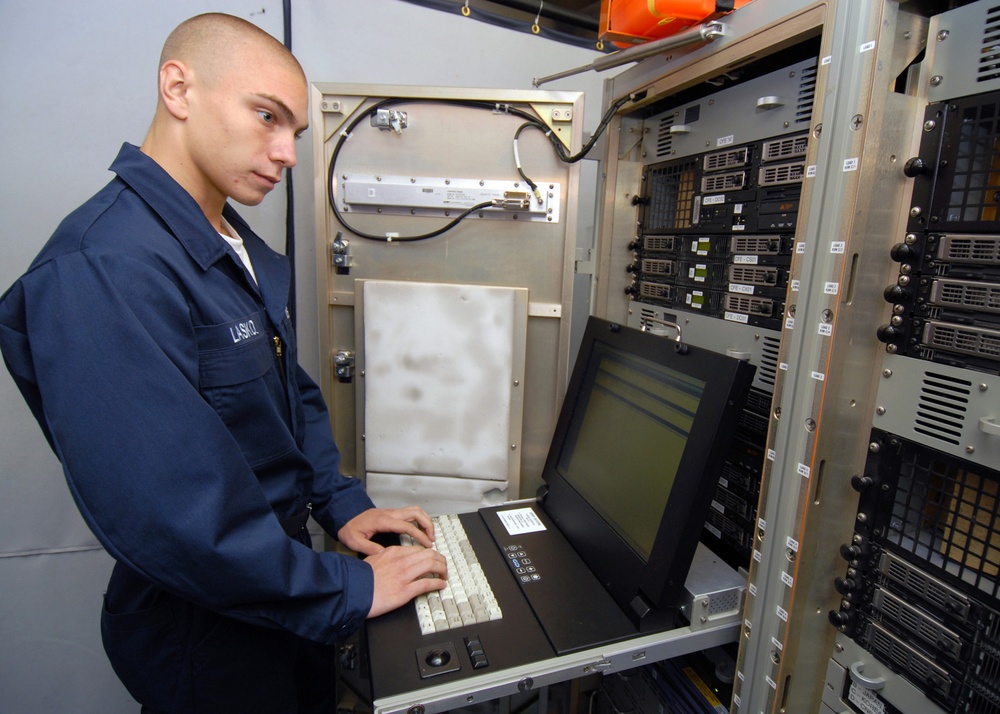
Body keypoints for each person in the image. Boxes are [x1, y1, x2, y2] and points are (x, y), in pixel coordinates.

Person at [0, 12, 447, 714]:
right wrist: (351, 588)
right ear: (178, 88)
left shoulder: (225, 241)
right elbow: (171, 514)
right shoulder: (102, 268)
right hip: (209, 628)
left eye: (294, 132)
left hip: (283, 585)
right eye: (265, 116)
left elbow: (285, 398)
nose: (287, 153)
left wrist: (341, 505)